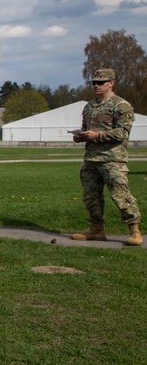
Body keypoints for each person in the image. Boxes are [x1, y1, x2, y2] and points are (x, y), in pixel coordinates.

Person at [70, 68, 142, 246]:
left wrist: (98, 135)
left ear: (111, 83)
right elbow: (86, 128)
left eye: (101, 82)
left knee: (121, 195)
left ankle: (134, 230)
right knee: (91, 196)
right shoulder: (89, 107)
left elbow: (123, 132)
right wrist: (80, 136)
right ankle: (96, 229)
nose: (96, 85)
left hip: (113, 159)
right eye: (94, 82)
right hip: (91, 159)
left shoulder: (121, 105)